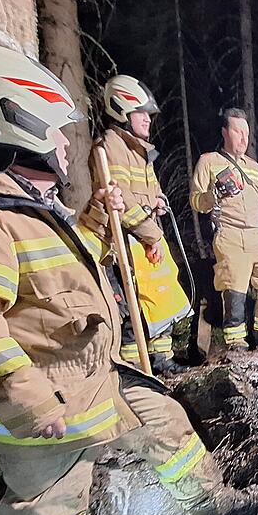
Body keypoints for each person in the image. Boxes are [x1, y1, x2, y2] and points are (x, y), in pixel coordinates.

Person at [0, 44, 258, 515]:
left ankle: (207, 504)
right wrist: (26, 400)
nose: (66, 146)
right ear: (14, 123)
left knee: (167, 422)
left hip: (97, 375)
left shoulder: (27, 204)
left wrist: (95, 220)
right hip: (44, 400)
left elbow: (70, 276)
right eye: (54, 130)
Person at [90, 74, 192, 374]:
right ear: (121, 110)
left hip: (146, 240)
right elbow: (119, 202)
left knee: (160, 299)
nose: (148, 120)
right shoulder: (109, 147)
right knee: (134, 307)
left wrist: (159, 200)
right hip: (126, 242)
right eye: (141, 113)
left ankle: (162, 360)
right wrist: (151, 234)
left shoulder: (138, 149)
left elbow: (151, 187)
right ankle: (136, 369)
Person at [189, 109, 258, 350]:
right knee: (235, 289)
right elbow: (196, 201)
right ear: (224, 132)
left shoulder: (254, 167)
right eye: (237, 131)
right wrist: (215, 194)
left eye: (246, 132)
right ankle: (236, 343)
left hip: (257, 234)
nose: (243, 138)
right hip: (229, 232)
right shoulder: (209, 161)